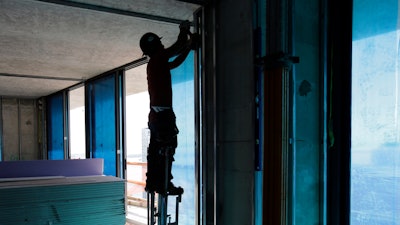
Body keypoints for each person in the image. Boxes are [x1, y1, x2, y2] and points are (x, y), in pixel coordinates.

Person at [139, 21, 199, 195]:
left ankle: (152, 183)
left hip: (157, 116)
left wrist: (189, 47)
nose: (163, 45)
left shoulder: (155, 64)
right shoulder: (159, 59)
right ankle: (164, 185)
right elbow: (177, 47)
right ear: (157, 45)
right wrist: (184, 31)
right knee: (167, 148)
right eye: (160, 43)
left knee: (156, 150)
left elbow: (176, 61)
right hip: (163, 116)